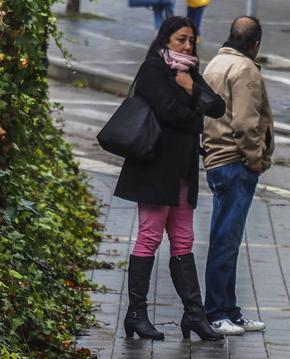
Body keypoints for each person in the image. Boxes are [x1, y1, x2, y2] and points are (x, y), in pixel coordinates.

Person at [114, 17, 226, 341]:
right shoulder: (153, 70)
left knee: (183, 241)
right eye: (181, 40)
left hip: (182, 173)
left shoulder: (188, 72)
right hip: (154, 171)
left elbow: (216, 107)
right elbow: (168, 111)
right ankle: (136, 314)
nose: (187, 46)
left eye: (191, 40)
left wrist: (192, 89)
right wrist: (195, 113)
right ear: (165, 40)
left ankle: (194, 315)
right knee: (149, 237)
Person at [201, 16, 274, 335]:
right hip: (235, 161)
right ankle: (217, 311)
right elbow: (245, 123)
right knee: (226, 239)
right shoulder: (245, 69)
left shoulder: (215, 63)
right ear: (256, 44)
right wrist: (256, 159)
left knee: (225, 237)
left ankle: (229, 310)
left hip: (217, 157)